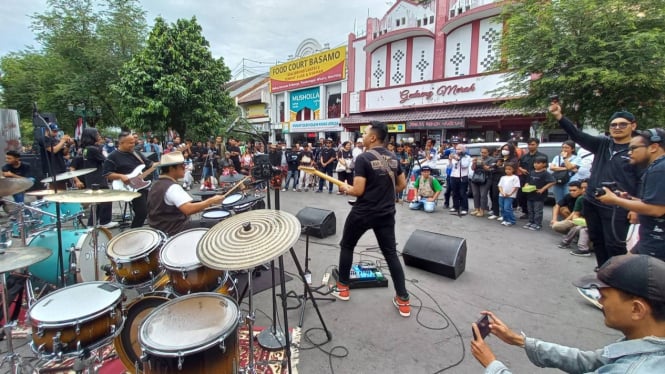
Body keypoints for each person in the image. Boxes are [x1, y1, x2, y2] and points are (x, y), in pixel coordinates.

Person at [471, 254, 665, 373]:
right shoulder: (648, 344)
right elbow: (588, 361)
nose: (599, 301)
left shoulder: (632, 370)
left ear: (637, 309)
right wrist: (519, 341)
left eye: (604, 296)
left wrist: (492, 364)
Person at [549, 103, 641, 271]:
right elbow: (577, 135)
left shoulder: (638, 150)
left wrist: (636, 207)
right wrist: (559, 116)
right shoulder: (603, 144)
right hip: (592, 201)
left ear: (633, 126)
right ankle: (603, 273)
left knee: (615, 244)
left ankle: (617, 280)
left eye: (622, 124)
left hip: (618, 206)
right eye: (613, 125)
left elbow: (642, 180)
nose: (617, 128)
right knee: (597, 239)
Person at [333, 121, 411, 317]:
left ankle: (343, 287)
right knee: (391, 254)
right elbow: (401, 185)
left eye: (365, 133)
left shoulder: (363, 158)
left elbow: (357, 190)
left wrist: (345, 188)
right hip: (386, 213)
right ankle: (403, 300)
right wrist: (382, 193)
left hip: (363, 213)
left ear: (373, 137)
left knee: (347, 246)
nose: (363, 136)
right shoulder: (393, 158)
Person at [596, 128, 665, 261]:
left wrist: (616, 200)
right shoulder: (656, 167)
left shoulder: (660, 170)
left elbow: (657, 209)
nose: (629, 153)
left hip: (657, 245)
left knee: (618, 273)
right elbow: (655, 201)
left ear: (654, 147)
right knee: (615, 268)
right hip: (650, 239)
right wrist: (629, 199)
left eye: (633, 148)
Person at [147, 151, 225, 236]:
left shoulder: (156, 185)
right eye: (182, 166)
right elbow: (188, 209)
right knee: (219, 224)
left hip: (160, 230)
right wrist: (210, 201)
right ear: (171, 169)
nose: (185, 168)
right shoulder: (172, 187)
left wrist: (205, 204)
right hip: (175, 230)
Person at [103, 131, 157, 228]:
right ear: (121, 143)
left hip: (141, 185)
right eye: (130, 143)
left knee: (149, 210)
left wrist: (163, 162)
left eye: (134, 142)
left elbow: (150, 164)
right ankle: (133, 232)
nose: (133, 144)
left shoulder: (136, 153)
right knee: (142, 212)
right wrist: (121, 176)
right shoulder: (113, 156)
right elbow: (106, 173)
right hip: (128, 188)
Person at [71, 128, 116, 228]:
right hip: (97, 177)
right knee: (107, 197)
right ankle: (105, 221)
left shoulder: (86, 149)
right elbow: (105, 159)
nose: (99, 136)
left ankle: (92, 223)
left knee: (98, 201)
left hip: (91, 177)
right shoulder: (93, 149)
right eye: (97, 134)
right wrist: (103, 150)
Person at [521, 156, 556, 231]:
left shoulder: (545, 173)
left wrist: (543, 189)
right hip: (530, 194)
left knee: (538, 210)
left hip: (539, 196)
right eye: (535, 163)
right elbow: (527, 181)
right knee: (530, 209)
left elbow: (552, 181)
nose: (536, 165)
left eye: (538, 163)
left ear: (544, 164)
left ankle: (537, 224)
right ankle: (531, 221)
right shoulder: (532, 172)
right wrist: (526, 185)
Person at [517, 138, 548, 219]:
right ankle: (526, 212)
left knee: (535, 197)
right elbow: (518, 165)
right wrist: (521, 169)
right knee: (522, 196)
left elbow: (545, 168)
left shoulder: (542, 156)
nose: (530, 146)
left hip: (536, 179)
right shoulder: (524, 156)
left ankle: (535, 215)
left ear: (537, 145)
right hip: (525, 178)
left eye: (533, 144)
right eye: (529, 145)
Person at [470, 147, 494, 217]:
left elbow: (490, 169)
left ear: (488, 153)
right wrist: (474, 163)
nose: (483, 154)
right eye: (482, 152)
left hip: (486, 178)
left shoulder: (492, 159)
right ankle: (476, 209)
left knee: (483, 194)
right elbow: (472, 168)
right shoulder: (478, 158)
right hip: (476, 178)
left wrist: (483, 164)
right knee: (475, 194)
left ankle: (482, 210)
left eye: (484, 152)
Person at [448, 143, 471, 215]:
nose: (457, 150)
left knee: (462, 193)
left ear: (463, 150)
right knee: (454, 193)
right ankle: (456, 206)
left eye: (459, 149)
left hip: (462, 177)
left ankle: (464, 208)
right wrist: (450, 160)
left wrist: (458, 159)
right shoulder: (454, 156)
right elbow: (449, 167)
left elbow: (464, 166)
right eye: (456, 149)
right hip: (453, 176)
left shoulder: (467, 157)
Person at [497, 163, 520, 227]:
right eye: (506, 169)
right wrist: (502, 192)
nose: (507, 170)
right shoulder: (503, 177)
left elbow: (516, 187)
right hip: (501, 195)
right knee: (502, 208)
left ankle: (511, 220)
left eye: (509, 169)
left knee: (507, 208)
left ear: (513, 170)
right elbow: (500, 186)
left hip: (510, 196)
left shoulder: (515, 177)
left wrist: (510, 194)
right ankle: (505, 219)